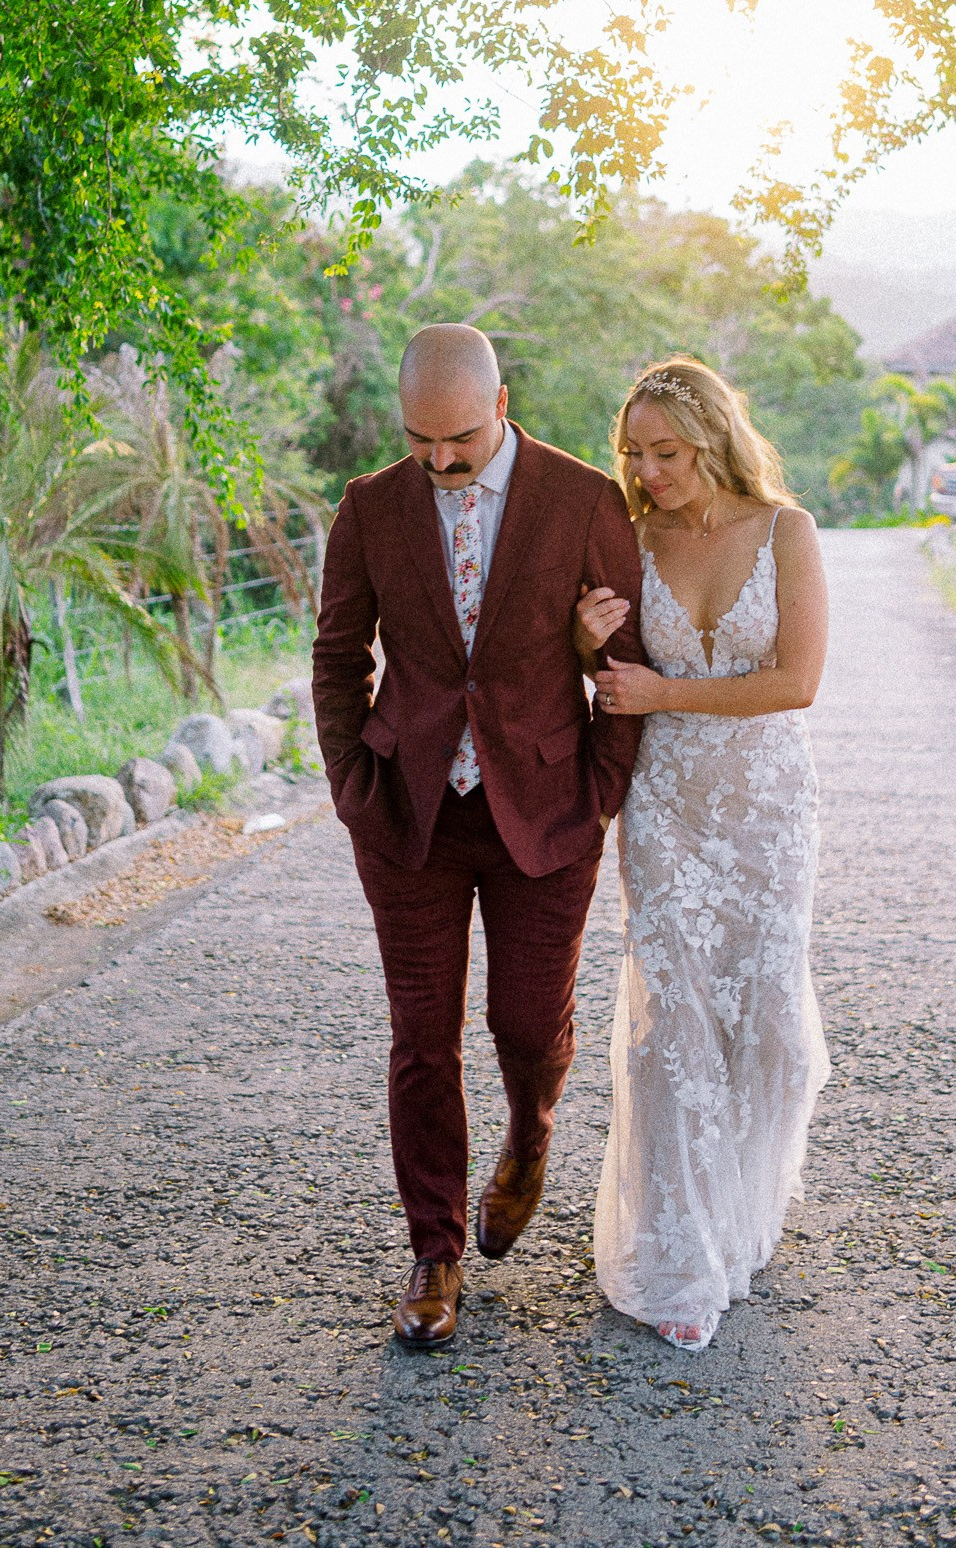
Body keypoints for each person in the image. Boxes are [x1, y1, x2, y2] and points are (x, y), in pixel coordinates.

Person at [311, 324, 645, 1350]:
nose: (441, 460)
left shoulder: (585, 497)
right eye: (420, 439)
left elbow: (624, 664)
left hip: (544, 811)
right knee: (421, 1037)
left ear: (502, 405)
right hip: (407, 814)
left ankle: (531, 1136)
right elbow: (337, 653)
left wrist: (598, 790)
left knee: (527, 1022)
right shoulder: (368, 507)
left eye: (457, 437)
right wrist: (351, 784)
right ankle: (433, 1247)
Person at [575, 356, 831, 1352]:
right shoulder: (630, 540)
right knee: (670, 1020)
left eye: (666, 451)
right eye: (635, 451)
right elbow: (609, 685)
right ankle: (680, 1252)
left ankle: (740, 1214)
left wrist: (658, 692)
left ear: (714, 437)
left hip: (769, 806)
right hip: (669, 806)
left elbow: (796, 680)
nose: (648, 469)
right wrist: (578, 641)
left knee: (768, 1022)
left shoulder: (787, 532)